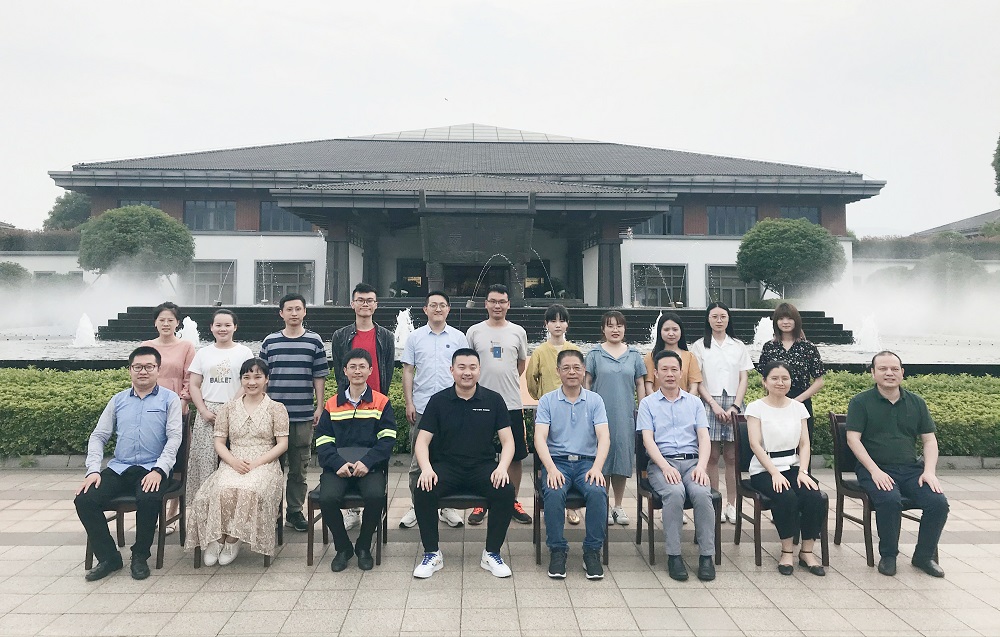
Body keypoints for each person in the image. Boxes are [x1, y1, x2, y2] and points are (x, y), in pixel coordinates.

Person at [74, 346, 183, 581]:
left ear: (158, 369)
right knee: (84, 499)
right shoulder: (118, 400)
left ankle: (140, 556)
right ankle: (109, 557)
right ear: (130, 370)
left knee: (149, 497)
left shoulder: (169, 399)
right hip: (120, 468)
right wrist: (93, 470)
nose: (143, 371)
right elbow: (98, 436)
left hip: (152, 468)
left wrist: (159, 470)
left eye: (149, 367)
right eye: (138, 367)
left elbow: (175, 437)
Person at [412, 349, 516, 579]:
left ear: (479, 370)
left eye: (472, 367)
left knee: (505, 490)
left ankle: (492, 553)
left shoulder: (493, 400)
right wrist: (426, 469)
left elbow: (508, 441)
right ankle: (432, 553)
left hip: (482, 467)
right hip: (446, 467)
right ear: (452, 370)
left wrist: (502, 468)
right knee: (423, 488)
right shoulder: (438, 401)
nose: (467, 372)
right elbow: (422, 441)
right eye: (461, 367)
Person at [846, 351, 949, 578]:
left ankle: (924, 556)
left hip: (911, 470)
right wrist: (874, 471)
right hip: (874, 469)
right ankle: (889, 555)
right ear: (873, 373)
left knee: (938, 502)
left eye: (894, 369)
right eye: (883, 369)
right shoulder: (861, 402)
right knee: (890, 499)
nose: (889, 373)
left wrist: (929, 472)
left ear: (902, 372)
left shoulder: (916, 402)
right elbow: (853, 439)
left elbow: (929, 440)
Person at [186, 358, 289, 566]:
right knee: (218, 490)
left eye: (257, 377)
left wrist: (257, 463)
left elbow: (282, 444)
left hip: (265, 463)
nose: (252, 382)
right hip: (233, 461)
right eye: (246, 377)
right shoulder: (228, 408)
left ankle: (233, 540)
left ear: (266, 379)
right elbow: (219, 442)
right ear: (241, 380)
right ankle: (217, 539)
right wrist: (233, 462)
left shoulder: (276, 408)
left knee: (250, 490)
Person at [314, 349, 397, 571]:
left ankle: (363, 545)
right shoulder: (332, 404)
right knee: (327, 498)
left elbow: (387, 439)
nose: (357, 371)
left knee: (376, 496)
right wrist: (337, 463)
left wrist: (368, 462)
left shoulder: (381, 402)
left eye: (362, 367)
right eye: (352, 367)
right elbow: (323, 440)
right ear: (344, 370)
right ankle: (343, 548)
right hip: (337, 468)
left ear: (370, 370)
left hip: (369, 468)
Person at [637, 350, 716, 582]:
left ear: (681, 373)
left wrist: (701, 467)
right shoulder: (648, 404)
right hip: (662, 463)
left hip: (692, 463)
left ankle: (706, 556)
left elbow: (704, 438)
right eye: (664, 369)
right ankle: (674, 555)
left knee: (701, 493)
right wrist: (664, 466)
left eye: (674, 369)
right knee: (674, 492)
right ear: (656, 373)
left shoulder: (695, 403)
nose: (670, 374)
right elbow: (647, 440)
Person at [745, 361, 827, 576]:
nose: (780, 382)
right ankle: (787, 551)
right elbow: (754, 444)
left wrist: (803, 471)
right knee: (786, 496)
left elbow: (805, 444)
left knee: (814, 496)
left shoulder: (798, 407)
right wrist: (774, 473)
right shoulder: (756, 407)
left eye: (785, 378)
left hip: (793, 466)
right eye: (774, 378)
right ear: (764, 382)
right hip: (764, 469)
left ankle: (807, 552)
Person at [534, 349, 610, 580]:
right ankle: (557, 550)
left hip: (587, 463)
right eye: (566, 368)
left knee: (597, 492)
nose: (572, 372)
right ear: (558, 371)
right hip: (557, 463)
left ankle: (592, 551)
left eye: (576, 367)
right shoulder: (547, 401)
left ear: (584, 370)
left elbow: (604, 437)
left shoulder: (595, 400)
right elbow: (540, 438)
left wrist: (597, 468)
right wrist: (550, 469)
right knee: (554, 492)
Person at [259, 293, 330, 533]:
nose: (294, 313)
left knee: (299, 467)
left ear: (304, 312)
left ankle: (294, 512)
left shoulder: (314, 341)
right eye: (289, 309)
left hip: (302, 414)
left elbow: (319, 376)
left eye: (298, 309)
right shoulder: (270, 342)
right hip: (273, 416)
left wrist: (319, 406)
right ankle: (272, 512)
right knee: (271, 468)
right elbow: (262, 378)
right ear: (281, 313)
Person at [400, 290, 468, 530]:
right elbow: (408, 371)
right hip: (423, 408)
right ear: (425, 309)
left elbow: (466, 370)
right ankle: (416, 505)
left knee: (451, 459)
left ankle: (447, 506)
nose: (438, 309)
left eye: (442, 305)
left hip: (454, 408)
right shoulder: (415, 338)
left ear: (448, 309)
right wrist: (409, 402)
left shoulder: (459, 337)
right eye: (433, 305)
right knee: (418, 462)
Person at [330, 283, 395, 531]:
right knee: (348, 451)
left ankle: (374, 510)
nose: (365, 304)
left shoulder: (386, 336)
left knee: (377, 456)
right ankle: (353, 511)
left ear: (376, 305)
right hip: (350, 404)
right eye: (360, 300)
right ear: (353, 304)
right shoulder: (341, 335)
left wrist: (381, 398)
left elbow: (388, 368)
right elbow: (339, 370)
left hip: (376, 405)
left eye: (369, 300)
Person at [465, 283, 531, 526]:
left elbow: (520, 364)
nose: (497, 306)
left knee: (515, 455)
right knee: (480, 455)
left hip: (511, 403)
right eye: (493, 301)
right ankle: (481, 501)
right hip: (479, 403)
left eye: (502, 301)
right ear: (486, 304)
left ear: (508, 304)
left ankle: (511, 500)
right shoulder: (474, 332)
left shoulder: (518, 332)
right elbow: (468, 364)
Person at [690, 302, 753, 524]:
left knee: (733, 457)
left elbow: (743, 377)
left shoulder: (738, 345)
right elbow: (697, 379)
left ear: (728, 319)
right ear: (708, 319)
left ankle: (732, 505)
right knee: (712, 457)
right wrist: (713, 405)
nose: (719, 320)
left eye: (723, 316)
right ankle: (714, 502)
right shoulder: (699, 346)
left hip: (734, 402)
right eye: (714, 316)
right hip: (709, 403)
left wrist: (735, 405)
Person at [186, 309, 254, 512]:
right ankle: (205, 509)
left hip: (236, 410)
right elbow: (194, 385)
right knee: (205, 461)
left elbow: (248, 382)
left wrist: (231, 407)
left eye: (227, 325)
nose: (222, 329)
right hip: (208, 412)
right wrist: (203, 410)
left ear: (235, 327)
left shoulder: (244, 352)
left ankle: (231, 510)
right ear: (211, 328)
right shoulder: (203, 353)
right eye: (218, 325)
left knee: (233, 461)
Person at [585, 310, 645, 526]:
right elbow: (587, 382)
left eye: (619, 325)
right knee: (602, 459)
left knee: (621, 460)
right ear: (603, 329)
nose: (615, 330)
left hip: (624, 416)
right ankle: (603, 504)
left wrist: (642, 410)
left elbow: (640, 383)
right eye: (610, 325)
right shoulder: (594, 354)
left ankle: (618, 506)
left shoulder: (634, 355)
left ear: (624, 328)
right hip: (600, 416)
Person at [526, 303, 584, 526]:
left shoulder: (574, 349)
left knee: (572, 452)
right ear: (546, 324)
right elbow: (531, 379)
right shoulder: (540, 351)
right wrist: (540, 397)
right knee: (549, 453)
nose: (557, 325)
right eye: (553, 321)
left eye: (562, 320)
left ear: (567, 324)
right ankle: (552, 501)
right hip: (548, 411)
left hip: (573, 409)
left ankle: (572, 507)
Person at [141, 301, 195, 536]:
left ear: (178, 323)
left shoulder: (186, 347)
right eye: (161, 319)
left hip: (176, 410)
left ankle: (172, 513)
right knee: (151, 458)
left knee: (177, 461)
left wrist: (182, 403)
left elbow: (190, 378)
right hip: (149, 410)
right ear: (155, 322)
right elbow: (139, 375)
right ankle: (152, 509)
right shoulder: (146, 346)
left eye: (170, 320)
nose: (166, 323)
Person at [756, 302, 825, 452]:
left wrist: (797, 401)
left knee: (803, 446)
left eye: (789, 318)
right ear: (776, 322)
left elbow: (819, 381)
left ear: (796, 321)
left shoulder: (808, 347)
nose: (785, 322)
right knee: (773, 445)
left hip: (801, 403)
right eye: (781, 319)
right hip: (773, 403)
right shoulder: (769, 347)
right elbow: (764, 377)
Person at [643, 311, 702, 397]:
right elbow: (648, 387)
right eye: (666, 330)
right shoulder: (651, 357)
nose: (671, 334)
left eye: (675, 329)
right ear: (660, 331)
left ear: (681, 331)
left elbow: (694, 386)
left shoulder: (690, 357)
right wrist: (657, 403)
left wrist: (686, 402)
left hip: (683, 403)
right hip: (657, 403)